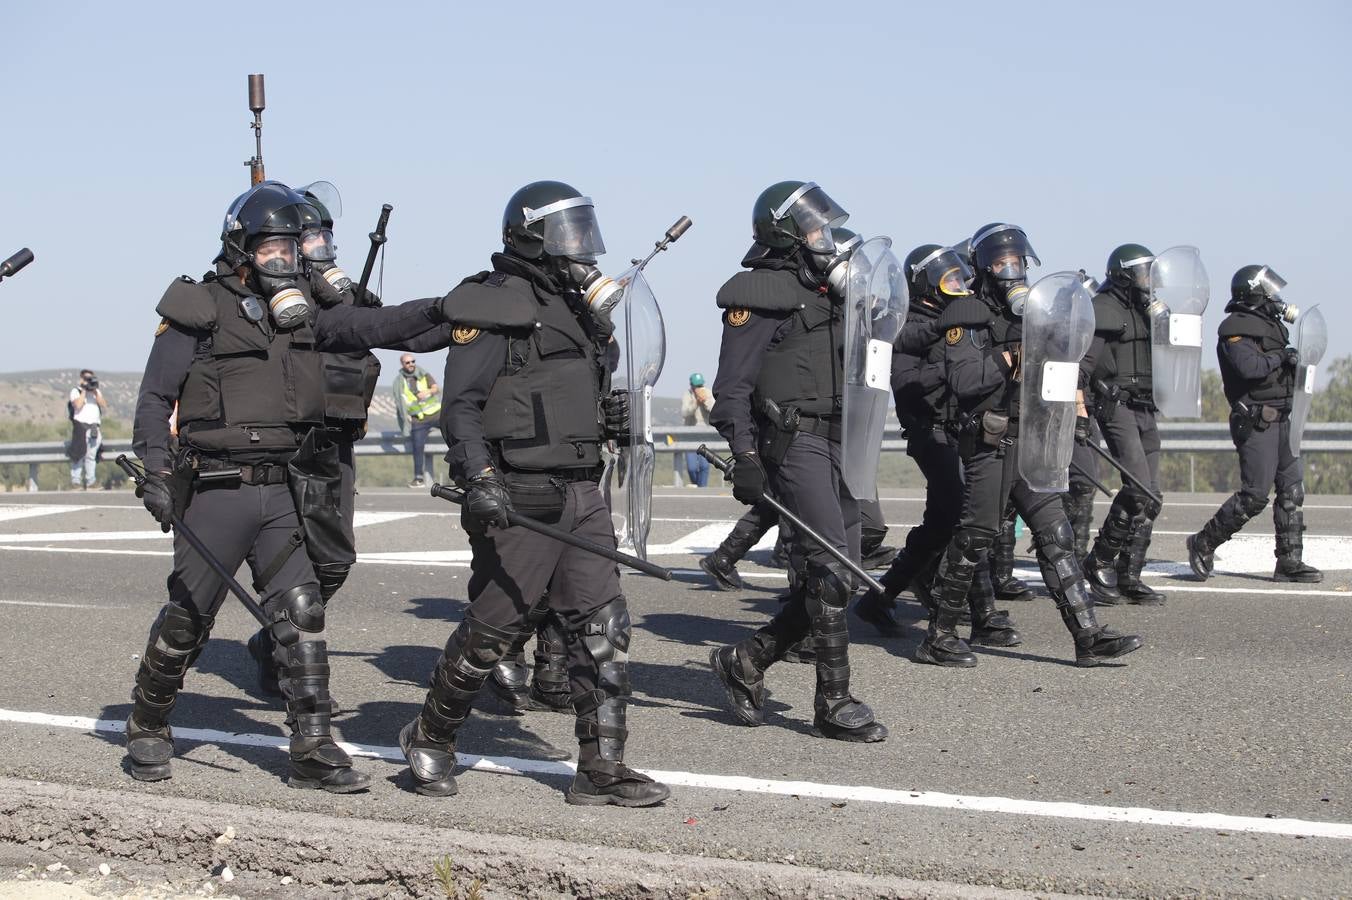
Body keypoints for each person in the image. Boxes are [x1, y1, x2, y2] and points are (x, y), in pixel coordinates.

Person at [124, 180, 449, 791]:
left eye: (291, 247)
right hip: (215, 490)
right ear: (241, 247)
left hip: (282, 491)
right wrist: (156, 473)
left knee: (301, 613)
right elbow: (152, 400)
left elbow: (382, 325)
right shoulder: (198, 309)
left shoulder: (310, 311)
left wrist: (449, 311)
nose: (285, 259)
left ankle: (312, 747)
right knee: (189, 617)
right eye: (271, 248)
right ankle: (147, 724)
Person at [399, 180, 669, 806]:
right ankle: (431, 735)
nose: (582, 245)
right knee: (496, 627)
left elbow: (571, 396)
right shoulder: (498, 307)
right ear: (529, 235)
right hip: (518, 492)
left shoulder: (582, 313)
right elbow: (461, 408)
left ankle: (601, 768)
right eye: (567, 231)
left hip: (582, 490)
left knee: (604, 625)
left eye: (584, 228)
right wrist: (480, 479)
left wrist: (610, 419)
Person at [245, 181, 453, 705]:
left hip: (332, 447)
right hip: (280, 447)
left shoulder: (344, 301)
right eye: (309, 241)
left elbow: (394, 328)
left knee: (333, 563)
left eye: (323, 241)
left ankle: (273, 636)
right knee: (283, 567)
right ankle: (286, 663)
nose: (319, 251)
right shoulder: (271, 303)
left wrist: (463, 319)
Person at [706, 182, 886, 743]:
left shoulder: (833, 295)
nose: (826, 239)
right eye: (815, 229)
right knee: (831, 565)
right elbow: (729, 390)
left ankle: (747, 660)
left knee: (845, 573)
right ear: (787, 234)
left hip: (843, 440)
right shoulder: (760, 294)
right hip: (795, 441)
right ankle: (833, 700)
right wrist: (745, 456)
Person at [926, 222, 1142, 668]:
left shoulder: (1038, 317)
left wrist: (1073, 408)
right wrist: (1011, 359)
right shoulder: (964, 318)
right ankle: (939, 635)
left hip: (1033, 441)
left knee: (1056, 535)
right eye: (1002, 262)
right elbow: (964, 381)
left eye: (1018, 261)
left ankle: (1088, 635)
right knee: (974, 538)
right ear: (984, 269)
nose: (1012, 270)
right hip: (990, 443)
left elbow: (1063, 369)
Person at [1187, 266, 1321, 583]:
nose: (1276, 297)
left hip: (1284, 419)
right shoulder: (1234, 329)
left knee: (1292, 491)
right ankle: (1203, 542)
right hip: (1257, 421)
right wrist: (1282, 359)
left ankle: (1289, 562)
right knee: (1255, 496)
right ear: (1254, 294)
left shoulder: (1272, 327)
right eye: (1270, 292)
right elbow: (1250, 367)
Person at [1077, 245, 1168, 605]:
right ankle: (1099, 560)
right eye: (1144, 272)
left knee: (1152, 496)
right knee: (1139, 488)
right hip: (1117, 407)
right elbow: (1084, 366)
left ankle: (1130, 575)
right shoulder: (1104, 309)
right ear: (1124, 273)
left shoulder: (1149, 313)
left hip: (1147, 407)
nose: (1150, 281)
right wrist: (1080, 409)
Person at [394, 354, 442, 487]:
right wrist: (405, 416)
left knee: (454, 433)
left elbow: (436, 388)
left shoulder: (424, 374)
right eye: (407, 362)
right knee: (417, 447)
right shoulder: (400, 382)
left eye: (413, 361)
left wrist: (427, 392)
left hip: (436, 414)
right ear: (402, 365)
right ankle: (418, 478)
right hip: (418, 420)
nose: (411, 364)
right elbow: (400, 402)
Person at [68, 369, 107, 489]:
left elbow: (103, 405)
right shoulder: (76, 391)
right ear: (81, 379)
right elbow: (78, 405)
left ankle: (91, 481)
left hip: (94, 427)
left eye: (90, 378)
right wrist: (84, 391)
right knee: (79, 454)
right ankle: (76, 481)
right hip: (81, 426)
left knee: (91, 456)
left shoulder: (96, 392)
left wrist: (95, 391)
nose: (89, 381)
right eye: (86, 378)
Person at [681, 372, 714, 486]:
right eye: (697, 386)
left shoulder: (708, 393)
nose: (699, 388)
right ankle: (697, 485)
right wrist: (695, 403)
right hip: (690, 436)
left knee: (704, 466)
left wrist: (704, 401)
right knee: (692, 468)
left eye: (700, 386)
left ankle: (702, 489)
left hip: (705, 435)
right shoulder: (687, 395)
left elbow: (714, 410)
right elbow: (684, 413)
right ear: (692, 386)